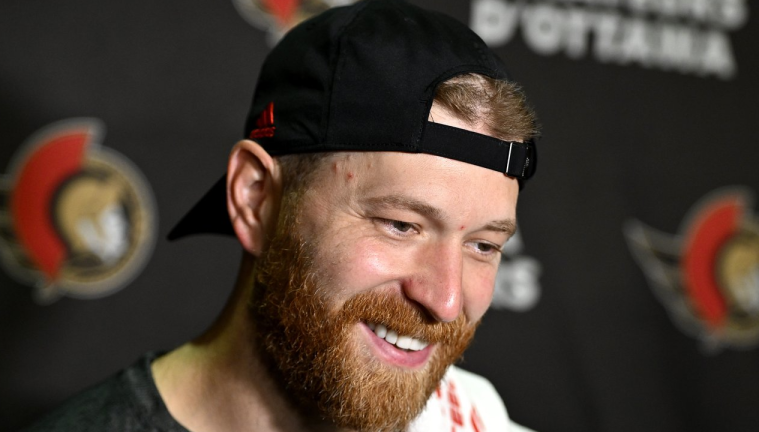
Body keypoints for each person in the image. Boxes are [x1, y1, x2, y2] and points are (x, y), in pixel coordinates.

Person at [24, 0, 539, 431]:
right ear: (255, 198)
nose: (447, 300)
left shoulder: (472, 416)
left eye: (484, 246)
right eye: (401, 225)